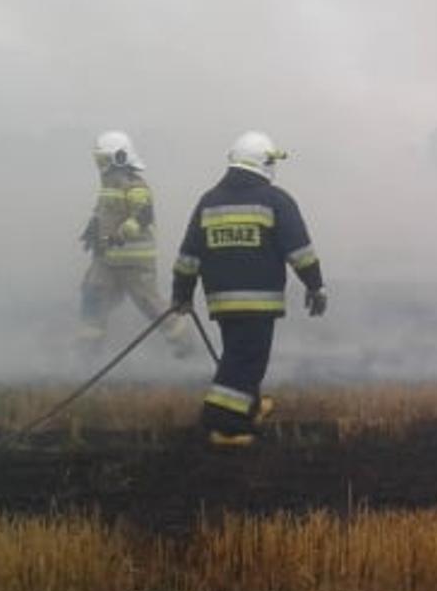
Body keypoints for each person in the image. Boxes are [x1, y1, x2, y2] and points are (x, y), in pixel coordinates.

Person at [170, 131, 329, 448]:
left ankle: (250, 407)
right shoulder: (276, 200)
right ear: (264, 163)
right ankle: (224, 425)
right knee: (247, 360)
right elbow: (300, 251)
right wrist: (315, 286)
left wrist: (182, 294)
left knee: (238, 356)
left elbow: (188, 255)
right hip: (259, 301)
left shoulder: (209, 202)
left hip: (221, 302)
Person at [77, 131, 189, 359]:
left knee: (151, 305)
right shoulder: (108, 185)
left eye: (103, 159)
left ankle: (185, 344)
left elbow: (142, 215)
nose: (100, 165)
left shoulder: (135, 185)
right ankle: (87, 351)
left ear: (119, 157)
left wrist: (122, 234)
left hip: (135, 262)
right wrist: (93, 227)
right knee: (92, 295)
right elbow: (103, 210)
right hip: (107, 259)